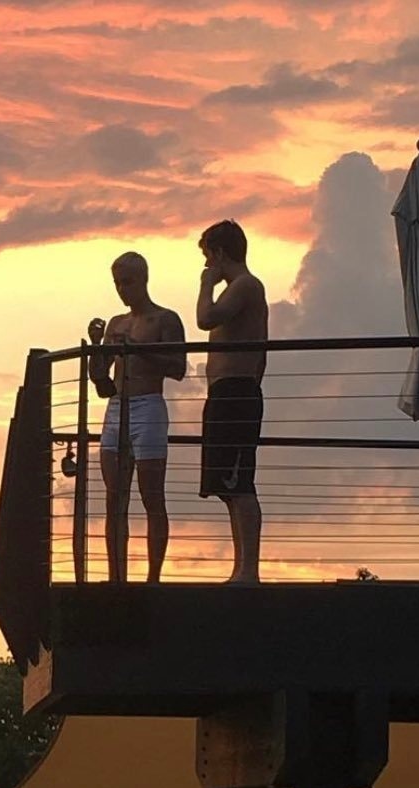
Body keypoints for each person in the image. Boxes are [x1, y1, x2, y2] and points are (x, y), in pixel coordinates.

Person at [86, 252, 186, 582]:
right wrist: (98, 348)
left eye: (127, 282)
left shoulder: (165, 319)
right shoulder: (117, 323)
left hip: (149, 405)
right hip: (117, 406)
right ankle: (116, 576)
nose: (122, 289)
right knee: (114, 496)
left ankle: (153, 577)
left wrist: (138, 349)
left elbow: (178, 367)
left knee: (151, 494)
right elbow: (100, 380)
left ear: (143, 279)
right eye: (117, 283)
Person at [195, 220, 268, 583]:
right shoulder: (239, 289)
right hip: (225, 394)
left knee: (239, 483)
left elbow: (205, 318)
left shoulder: (245, 286)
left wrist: (205, 285)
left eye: (209, 257)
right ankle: (241, 567)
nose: (207, 265)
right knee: (226, 486)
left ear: (221, 253)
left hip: (237, 393)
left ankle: (249, 569)